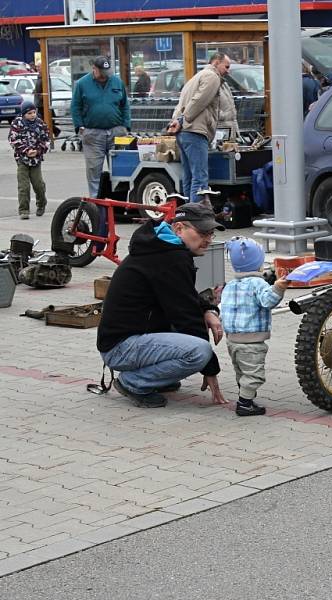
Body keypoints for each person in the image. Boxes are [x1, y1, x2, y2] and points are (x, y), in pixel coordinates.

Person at [96, 203, 227, 409]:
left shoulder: (163, 248)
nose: (208, 240)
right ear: (178, 229)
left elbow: (184, 297)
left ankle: (154, 378)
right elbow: (186, 317)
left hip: (125, 340)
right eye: (202, 233)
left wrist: (208, 310)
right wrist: (209, 367)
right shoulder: (169, 257)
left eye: (211, 233)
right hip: (120, 347)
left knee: (194, 338)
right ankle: (133, 382)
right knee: (199, 351)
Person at [220, 237, 288, 416]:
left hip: (232, 340)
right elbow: (268, 301)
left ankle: (246, 397)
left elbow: (223, 310)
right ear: (258, 265)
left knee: (242, 371)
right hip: (251, 341)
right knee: (254, 374)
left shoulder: (230, 286)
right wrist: (279, 288)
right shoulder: (258, 283)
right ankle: (244, 404)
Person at [167, 53, 231, 203]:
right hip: (195, 131)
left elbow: (181, 103)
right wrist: (184, 119)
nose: (228, 71)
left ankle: (188, 214)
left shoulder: (196, 77)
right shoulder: (212, 77)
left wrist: (176, 121)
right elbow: (199, 101)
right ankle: (196, 218)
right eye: (226, 66)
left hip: (184, 133)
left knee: (188, 176)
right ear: (216, 62)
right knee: (200, 178)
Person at [71, 56, 131, 197]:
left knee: (119, 170)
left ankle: (119, 202)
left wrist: (126, 126)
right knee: (94, 170)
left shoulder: (117, 82)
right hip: (92, 133)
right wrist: (80, 127)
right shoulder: (82, 84)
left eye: (107, 72)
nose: (105, 75)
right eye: (102, 72)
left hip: (116, 132)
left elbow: (125, 105)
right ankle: (96, 204)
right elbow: (75, 106)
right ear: (94, 69)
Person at [8, 101, 49, 219]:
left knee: (38, 185)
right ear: (24, 114)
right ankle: (24, 210)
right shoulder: (17, 123)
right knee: (23, 186)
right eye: (29, 113)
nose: (32, 115)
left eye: (34, 112)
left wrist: (37, 151)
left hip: (36, 160)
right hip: (22, 160)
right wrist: (26, 151)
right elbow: (13, 139)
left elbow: (45, 139)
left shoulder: (40, 124)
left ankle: (41, 204)